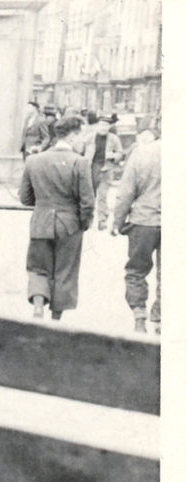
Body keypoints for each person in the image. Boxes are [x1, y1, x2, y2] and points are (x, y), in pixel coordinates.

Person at [19, 115, 94, 320]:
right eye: (82, 135)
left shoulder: (34, 160)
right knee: (65, 270)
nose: (83, 140)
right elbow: (87, 202)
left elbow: (25, 198)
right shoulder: (80, 162)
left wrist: (44, 202)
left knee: (37, 267)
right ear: (72, 136)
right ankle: (56, 317)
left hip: (40, 223)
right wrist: (83, 224)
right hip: (70, 226)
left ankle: (38, 306)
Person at [111, 122, 161, 334]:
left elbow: (126, 192)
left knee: (136, 270)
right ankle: (160, 318)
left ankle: (139, 315)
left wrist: (118, 221)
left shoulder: (142, 153)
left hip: (143, 221)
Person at [86, 113, 124, 230]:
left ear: (109, 127)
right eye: (101, 125)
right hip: (91, 168)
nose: (103, 128)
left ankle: (102, 220)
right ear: (97, 125)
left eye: (106, 126)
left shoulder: (114, 138)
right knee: (90, 195)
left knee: (102, 196)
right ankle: (88, 219)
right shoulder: (90, 137)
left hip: (106, 169)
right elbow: (81, 152)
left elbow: (120, 153)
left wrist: (112, 156)